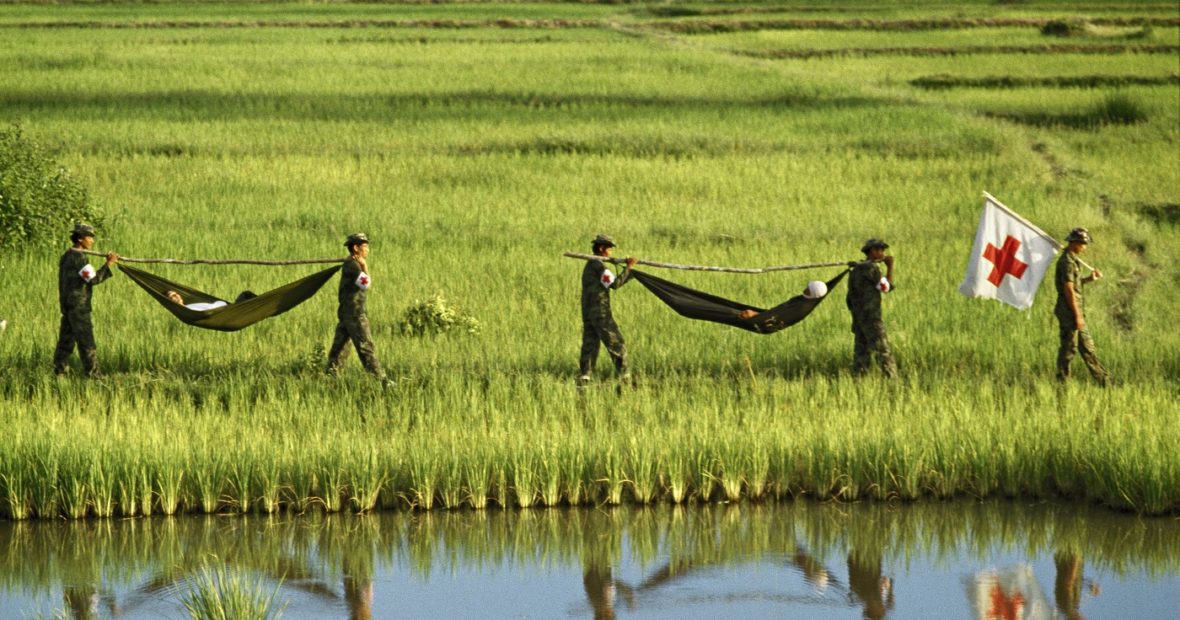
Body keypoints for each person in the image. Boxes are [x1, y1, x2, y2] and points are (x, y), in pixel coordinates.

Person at [53, 223, 118, 378]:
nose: (92, 241)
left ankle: (59, 372)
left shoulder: (67, 255)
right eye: (90, 237)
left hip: (67, 305)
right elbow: (93, 279)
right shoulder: (79, 258)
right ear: (81, 239)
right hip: (79, 307)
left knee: (65, 342)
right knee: (86, 342)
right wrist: (109, 264)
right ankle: (94, 375)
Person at [326, 233, 388, 382]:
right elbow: (366, 283)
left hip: (346, 313)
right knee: (365, 347)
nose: (368, 250)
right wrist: (365, 266)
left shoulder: (351, 264)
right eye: (365, 246)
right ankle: (382, 380)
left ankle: (331, 378)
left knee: (339, 349)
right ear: (356, 248)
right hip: (354, 315)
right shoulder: (353, 266)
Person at [578, 234, 637, 387]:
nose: (611, 251)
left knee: (590, 343)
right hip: (600, 311)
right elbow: (615, 284)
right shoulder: (598, 266)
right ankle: (625, 375)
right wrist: (629, 269)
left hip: (588, 311)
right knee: (616, 341)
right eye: (609, 248)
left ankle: (585, 375)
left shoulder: (590, 265)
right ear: (601, 248)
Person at [1054, 227, 1108, 386]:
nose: (1085, 247)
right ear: (1075, 243)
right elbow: (1068, 290)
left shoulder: (1073, 260)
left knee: (1088, 348)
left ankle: (1103, 381)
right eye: (1083, 243)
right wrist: (1077, 316)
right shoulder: (1067, 262)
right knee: (1069, 349)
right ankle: (1062, 382)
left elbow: (1075, 285)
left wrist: (1089, 279)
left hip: (1074, 311)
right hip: (1069, 312)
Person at [845, 238, 896, 378]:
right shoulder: (871, 268)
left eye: (882, 250)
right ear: (871, 251)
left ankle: (859, 379)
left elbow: (849, 299)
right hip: (871, 318)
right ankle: (891, 379)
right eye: (879, 250)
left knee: (861, 352)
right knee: (882, 350)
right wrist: (890, 266)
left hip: (858, 318)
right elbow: (885, 287)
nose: (882, 253)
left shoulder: (855, 270)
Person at [165, 289, 256, 311]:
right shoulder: (188, 311)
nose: (176, 296)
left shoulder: (190, 306)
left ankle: (264, 307)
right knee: (246, 295)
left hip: (229, 308)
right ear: (169, 301)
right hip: (228, 312)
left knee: (246, 294)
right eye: (172, 296)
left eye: (176, 294)